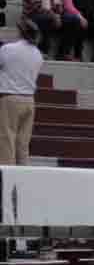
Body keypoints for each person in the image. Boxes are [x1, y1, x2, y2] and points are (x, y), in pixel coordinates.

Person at [0, 19, 43, 166]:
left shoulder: (8, 49)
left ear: (20, 31)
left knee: (7, 139)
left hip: (10, 97)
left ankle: (8, 175)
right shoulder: (38, 53)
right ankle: (24, 174)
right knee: (23, 143)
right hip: (29, 100)